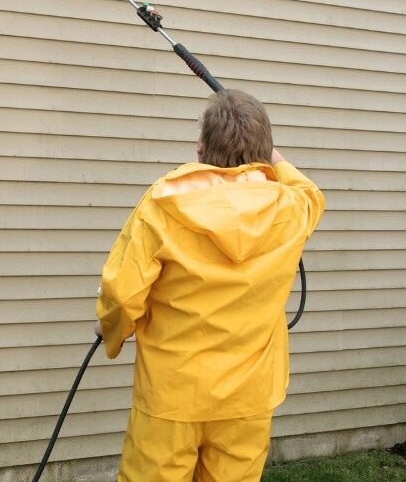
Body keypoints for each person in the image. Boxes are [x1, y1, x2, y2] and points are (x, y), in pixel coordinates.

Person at [95, 89, 325, 482]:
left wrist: (110, 329)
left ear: (200, 150)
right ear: (265, 151)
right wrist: (269, 153)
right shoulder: (292, 209)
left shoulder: (162, 205)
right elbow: (308, 189)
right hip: (248, 396)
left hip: (173, 393)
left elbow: (123, 293)